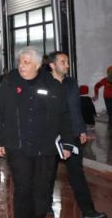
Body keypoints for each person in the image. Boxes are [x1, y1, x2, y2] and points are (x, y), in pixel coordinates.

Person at [0, 46, 73, 218]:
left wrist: (67, 142)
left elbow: (64, 115)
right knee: (23, 188)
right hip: (18, 147)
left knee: (42, 189)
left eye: (26, 63)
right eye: (20, 62)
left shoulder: (52, 86)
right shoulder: (10, 83)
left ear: (37, 65)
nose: (21, 66)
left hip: (45, 149)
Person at [47, 52, 107, 218]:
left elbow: (75, 109)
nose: (67, 65)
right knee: (48, 175)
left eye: (67, 61)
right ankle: (46, 206)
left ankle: (88, 211)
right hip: (50, 138)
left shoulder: (71, 83)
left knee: (77, 175)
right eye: (63, 62)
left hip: (72, 135)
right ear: (52, 65)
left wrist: (81, 130)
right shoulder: (44, 84)